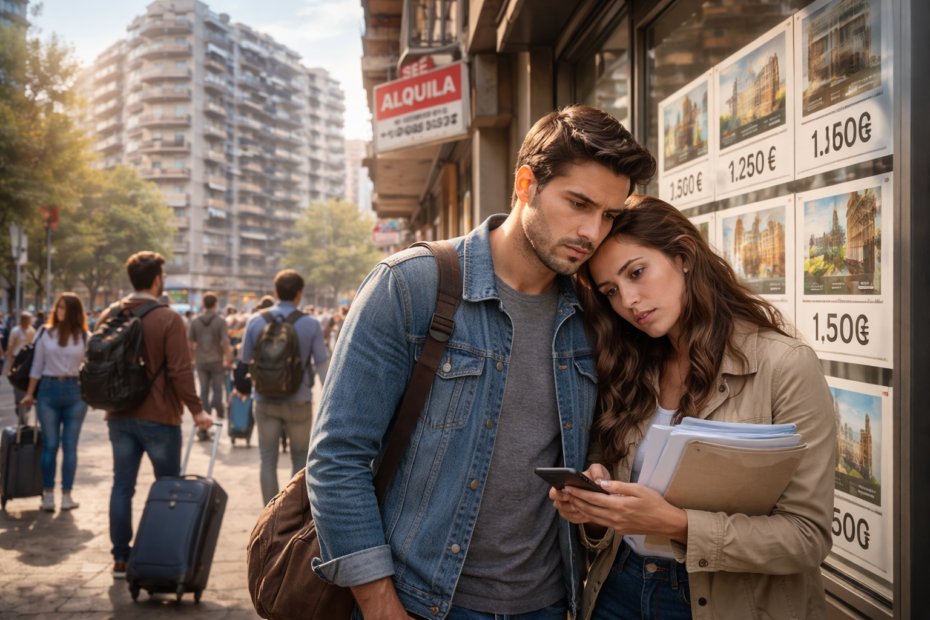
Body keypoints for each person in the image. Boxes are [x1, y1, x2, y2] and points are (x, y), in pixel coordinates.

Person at [306, 105, 656, 620]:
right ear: (525, 184)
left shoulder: (594, 312)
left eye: (608, 215)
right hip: (417, 603)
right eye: (577, 203)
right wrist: (380, 605)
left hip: (549, 604)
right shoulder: (411, 285)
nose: (591, 231)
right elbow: (337, 457)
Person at [552, 195, 835, 620]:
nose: (628, 300)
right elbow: (606, 486)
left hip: (728, 601)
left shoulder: (784, 366)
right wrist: (594, 506)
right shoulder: (629, 366)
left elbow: (806, 537)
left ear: (683, 256)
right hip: (618, 588)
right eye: (611, 290)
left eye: (637, 272)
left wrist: (677, 524)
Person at [95, 252, 212, 580]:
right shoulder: (168, 318)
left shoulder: (110, 313)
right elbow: (179, 370)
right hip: (160, 416)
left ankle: (120, 558)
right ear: (158, 279)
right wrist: (197, 410)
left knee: (122, 485)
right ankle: (162, 553)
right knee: (168, 488)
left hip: (118, 414)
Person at [240, 270, 330, 505]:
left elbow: (245, 358)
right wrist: (331, 402)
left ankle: (269, 517)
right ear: (299, 294)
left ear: (276, 292)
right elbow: (322, 363)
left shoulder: (255, 320)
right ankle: (292, 517)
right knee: (300, 458)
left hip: (263, 399)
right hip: (298, 400)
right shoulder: (310, 323)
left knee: (267, 459)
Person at [21, 294, 91, 512]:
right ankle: (48, 494)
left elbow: (89, 370)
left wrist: (93, 395)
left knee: (70, 446)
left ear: (73, 311)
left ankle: (67, 495)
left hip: (75, 393)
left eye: (64, 308)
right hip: (48, 391)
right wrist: (29, 394)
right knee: (50, 446)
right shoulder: (44, 333)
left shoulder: (85, 336)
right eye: (58, 307)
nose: (59, 311)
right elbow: (36, 366)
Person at [188, 291, 232, 436]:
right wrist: (228, 357)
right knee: (218, 390)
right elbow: (225, 341)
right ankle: (217, 410)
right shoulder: (220, 321)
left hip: (200, 360)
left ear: (202, 304)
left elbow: (189, 341)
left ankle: (203, 427)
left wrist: (191, 358)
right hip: (216, 360)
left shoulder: (195, 321)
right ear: (215, 304)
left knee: (204, 391)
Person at [5, 310, 35, 408]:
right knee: (17, 378)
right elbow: (11, 346)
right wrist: (11, 360)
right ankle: (19, 401)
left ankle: (28, 396)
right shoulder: (15, 330)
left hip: (28, 360)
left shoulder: (32, 331)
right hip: (17, 359)